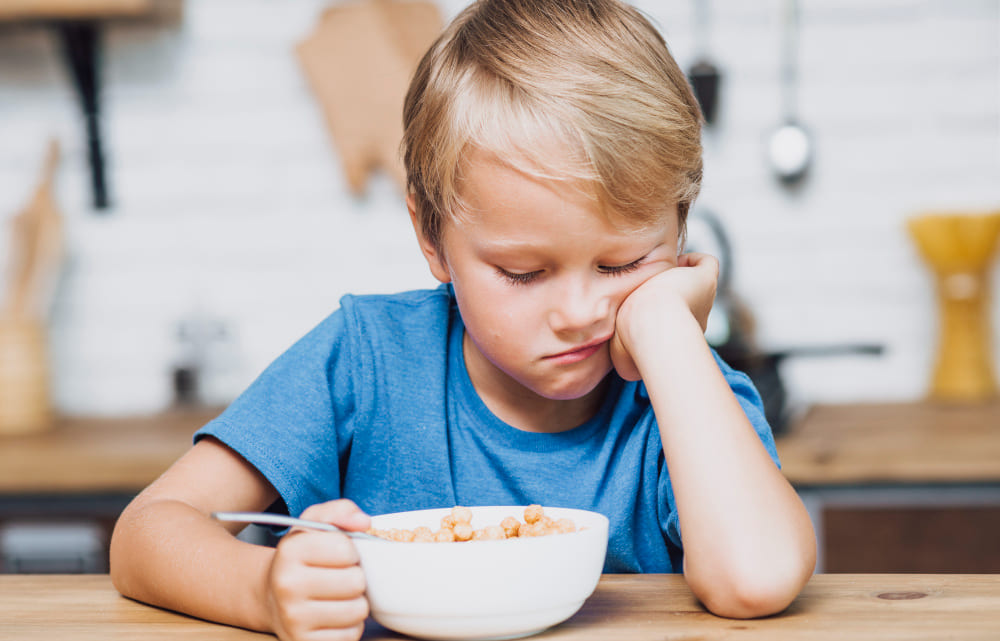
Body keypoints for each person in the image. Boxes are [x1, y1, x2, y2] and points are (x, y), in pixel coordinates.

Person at [110, 1, 816, 639]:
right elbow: (145, 533)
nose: (577, 314)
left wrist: (666, 327)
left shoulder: (689, 399)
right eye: (523, 273)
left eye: (624, 262)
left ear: (681, 226)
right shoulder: (368, 359)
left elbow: (755, 576)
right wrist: (262, 588)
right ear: (430, 235)